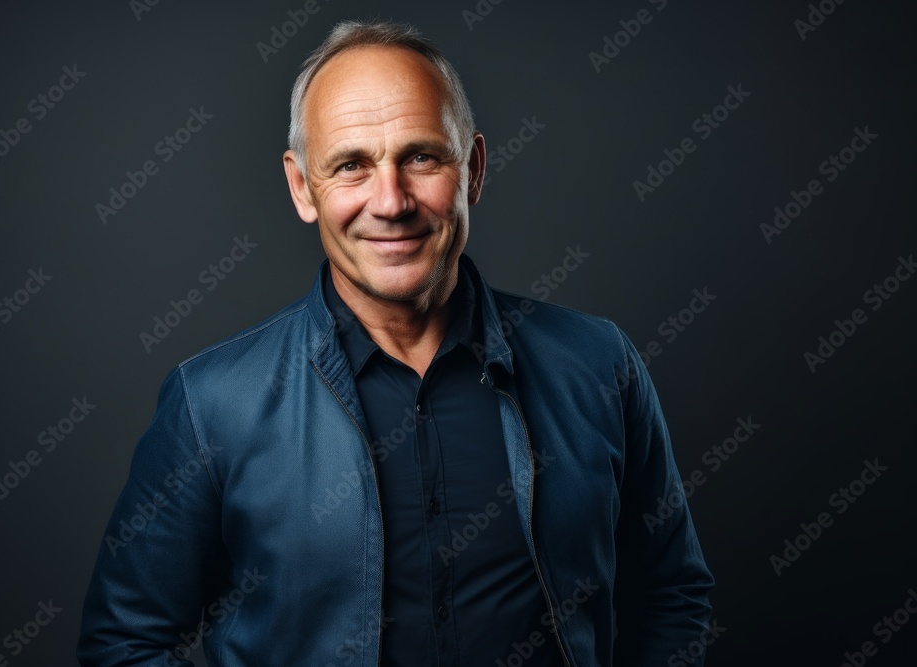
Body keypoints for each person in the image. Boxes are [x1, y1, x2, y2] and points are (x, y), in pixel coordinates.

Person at [78, 19, 714, 667]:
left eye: (420, 156)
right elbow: (125, 643)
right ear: (303, 187)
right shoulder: (211, 403)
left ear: (473, 169)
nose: (391, 201)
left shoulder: (600, 364)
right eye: (351, 165)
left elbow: (670, 595)